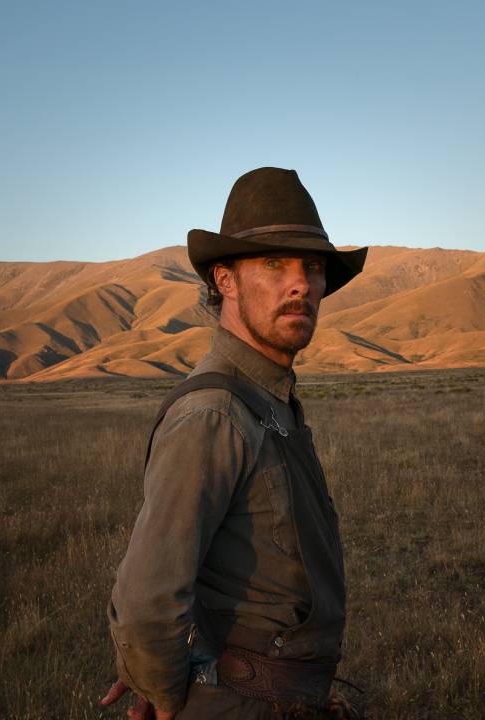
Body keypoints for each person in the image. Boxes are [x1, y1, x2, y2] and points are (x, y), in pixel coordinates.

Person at [101, 167, 367, 719]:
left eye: (312, 267)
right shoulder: (214, 414)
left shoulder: (269, 399)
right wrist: (173, 700)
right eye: (274, 263)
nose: (299, 283)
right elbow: (149, 601)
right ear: (225, 280)